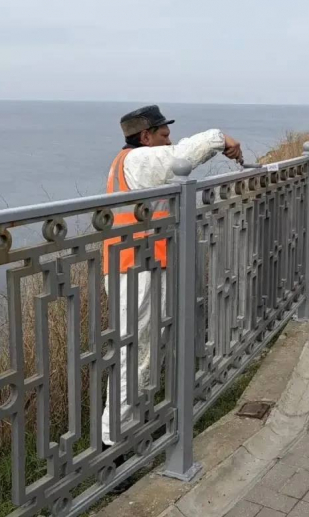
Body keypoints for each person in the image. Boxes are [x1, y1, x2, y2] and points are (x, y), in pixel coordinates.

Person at [101, 105, 242, 445]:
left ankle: (135, 426)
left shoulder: (133, 164)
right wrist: (218, 138)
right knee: (133, 354)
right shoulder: (136, 161)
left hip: (140, 267)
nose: (170, 141)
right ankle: (114, 442)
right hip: (134, 271)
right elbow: (181, 158)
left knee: (143, 352)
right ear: (145, 137)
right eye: (163, 135)